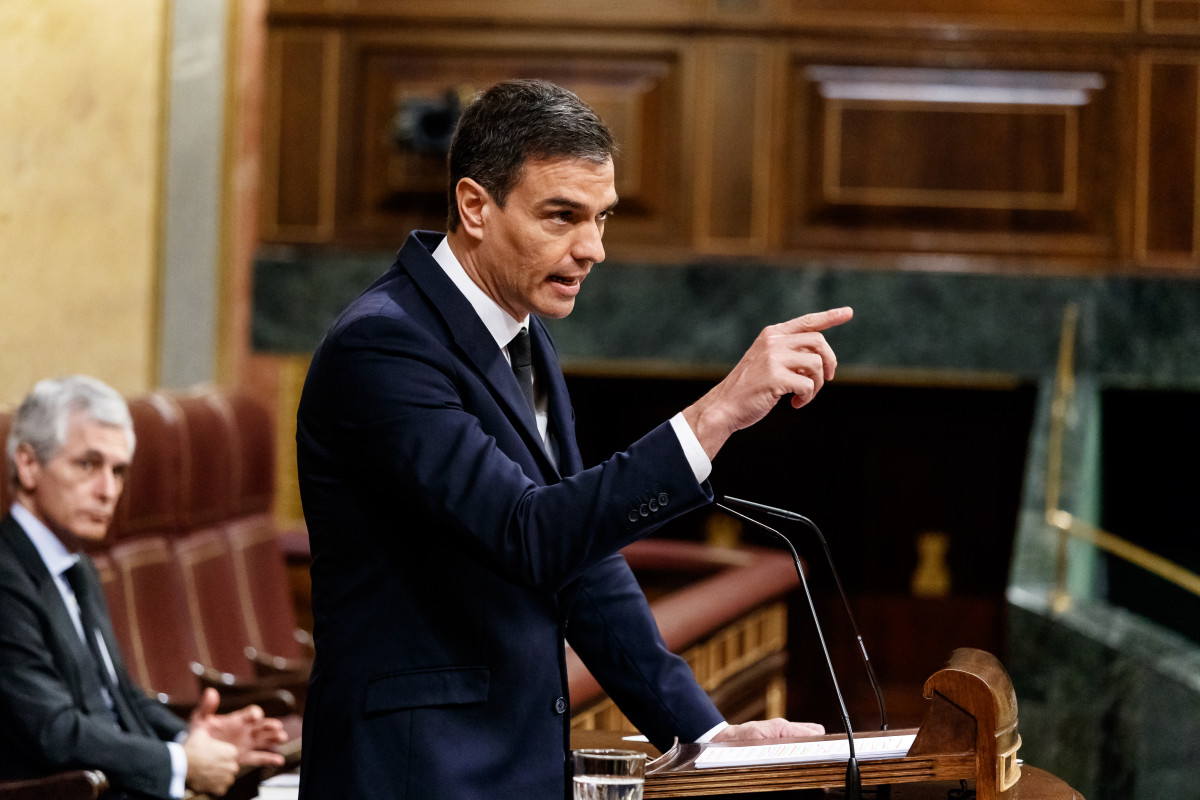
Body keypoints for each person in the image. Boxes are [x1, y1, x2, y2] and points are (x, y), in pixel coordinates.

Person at [295, 78, 854, 799]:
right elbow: (528, 535)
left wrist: (704, 733)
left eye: (601, 218)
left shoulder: (525, 336)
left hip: (509, 768)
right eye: (562, 216)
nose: (591, 248)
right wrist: (718, 412)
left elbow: (578, 561)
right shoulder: (383, 348)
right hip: (415, 773)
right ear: (475, 206)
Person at [0, 375, 289, 799]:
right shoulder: (6, 576)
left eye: (118, 472)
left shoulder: (76, 565)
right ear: (28, 464)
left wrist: (191, 738)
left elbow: (120, 696)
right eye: (88, 464)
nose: (108, 491)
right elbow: (54, 731)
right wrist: (183, 763)